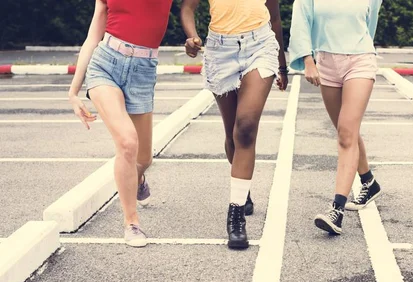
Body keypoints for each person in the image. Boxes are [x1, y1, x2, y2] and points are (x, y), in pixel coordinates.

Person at [181, 0, 289, 249]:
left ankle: (236, 216)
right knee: (232, 135)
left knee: (245, 128)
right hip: (220, 51)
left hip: (260, 45)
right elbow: (187, 8)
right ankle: (244, 190)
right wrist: (192, 37)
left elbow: (274, 18)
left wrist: (281, 65)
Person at [68, 0, 173, 247]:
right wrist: (73, 91)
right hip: (106, 65)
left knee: (144, 159)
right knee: (127, 142)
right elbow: (93, 35)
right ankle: (131, 223)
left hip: (143, 71)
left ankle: (136, 179)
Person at [289, 0, 383, 235]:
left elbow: (370, 24)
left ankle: (336, 210)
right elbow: (300, 21)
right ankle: (369, 182)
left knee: (346, 133)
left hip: (360, 60)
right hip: (326, 64)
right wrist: (308, 61)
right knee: (345, 131)